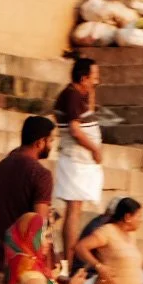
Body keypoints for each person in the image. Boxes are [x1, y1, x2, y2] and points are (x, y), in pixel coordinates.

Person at [0, 116, 56, 280]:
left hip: (1, 257)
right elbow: (39, 223)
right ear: (40, 142)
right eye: (51, 140)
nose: (52, 146)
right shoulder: (41, 174)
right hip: (26, 262)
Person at [52, 56, 104, 258]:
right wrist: (95, 149)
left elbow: (89, 112)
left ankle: (69, 256)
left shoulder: (77, 94)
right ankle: (68, 257)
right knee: (73, 209)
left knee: (76, 207)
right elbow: (75, 130)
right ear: (83, 78)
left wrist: (91, 90)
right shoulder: (71, 95)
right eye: (94, 77)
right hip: (76, 160)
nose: (96, 81)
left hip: (80, 161)